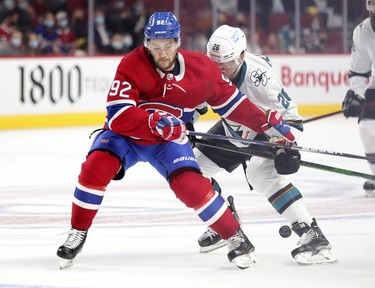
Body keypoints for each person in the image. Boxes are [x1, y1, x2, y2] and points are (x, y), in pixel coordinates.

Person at [56, 12, 296, 270]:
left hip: (168, 139)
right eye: (155, 46)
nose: (161, 53)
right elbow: (117, 115)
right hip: (126, 135)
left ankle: (235, 236)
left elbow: (236, 105)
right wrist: (152, 122)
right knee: (97, 165)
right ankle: (77, 232)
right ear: (146, 44)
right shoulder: (131, 64)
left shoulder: (202, 70)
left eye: (167, 45)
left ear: (178, 42)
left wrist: (269, 127)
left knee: (190, 185)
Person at [193, 24, 337, 265]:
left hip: (264, 131)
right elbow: (196, 103)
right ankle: (223, 222)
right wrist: (182, 125)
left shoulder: (261, 80)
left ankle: (313, 237)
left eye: (224, 64)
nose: (218, 70)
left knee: (260, 174)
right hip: (233, 128)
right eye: (213, 62)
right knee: (192, 170)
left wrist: (283, 146)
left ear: (240, 56)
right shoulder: (211, 69)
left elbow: (293, 123)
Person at [342, 0, 375, 198]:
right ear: (368, 6)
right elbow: (359, 71)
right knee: (366, 128)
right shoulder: (363, 32)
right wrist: (357, 94)